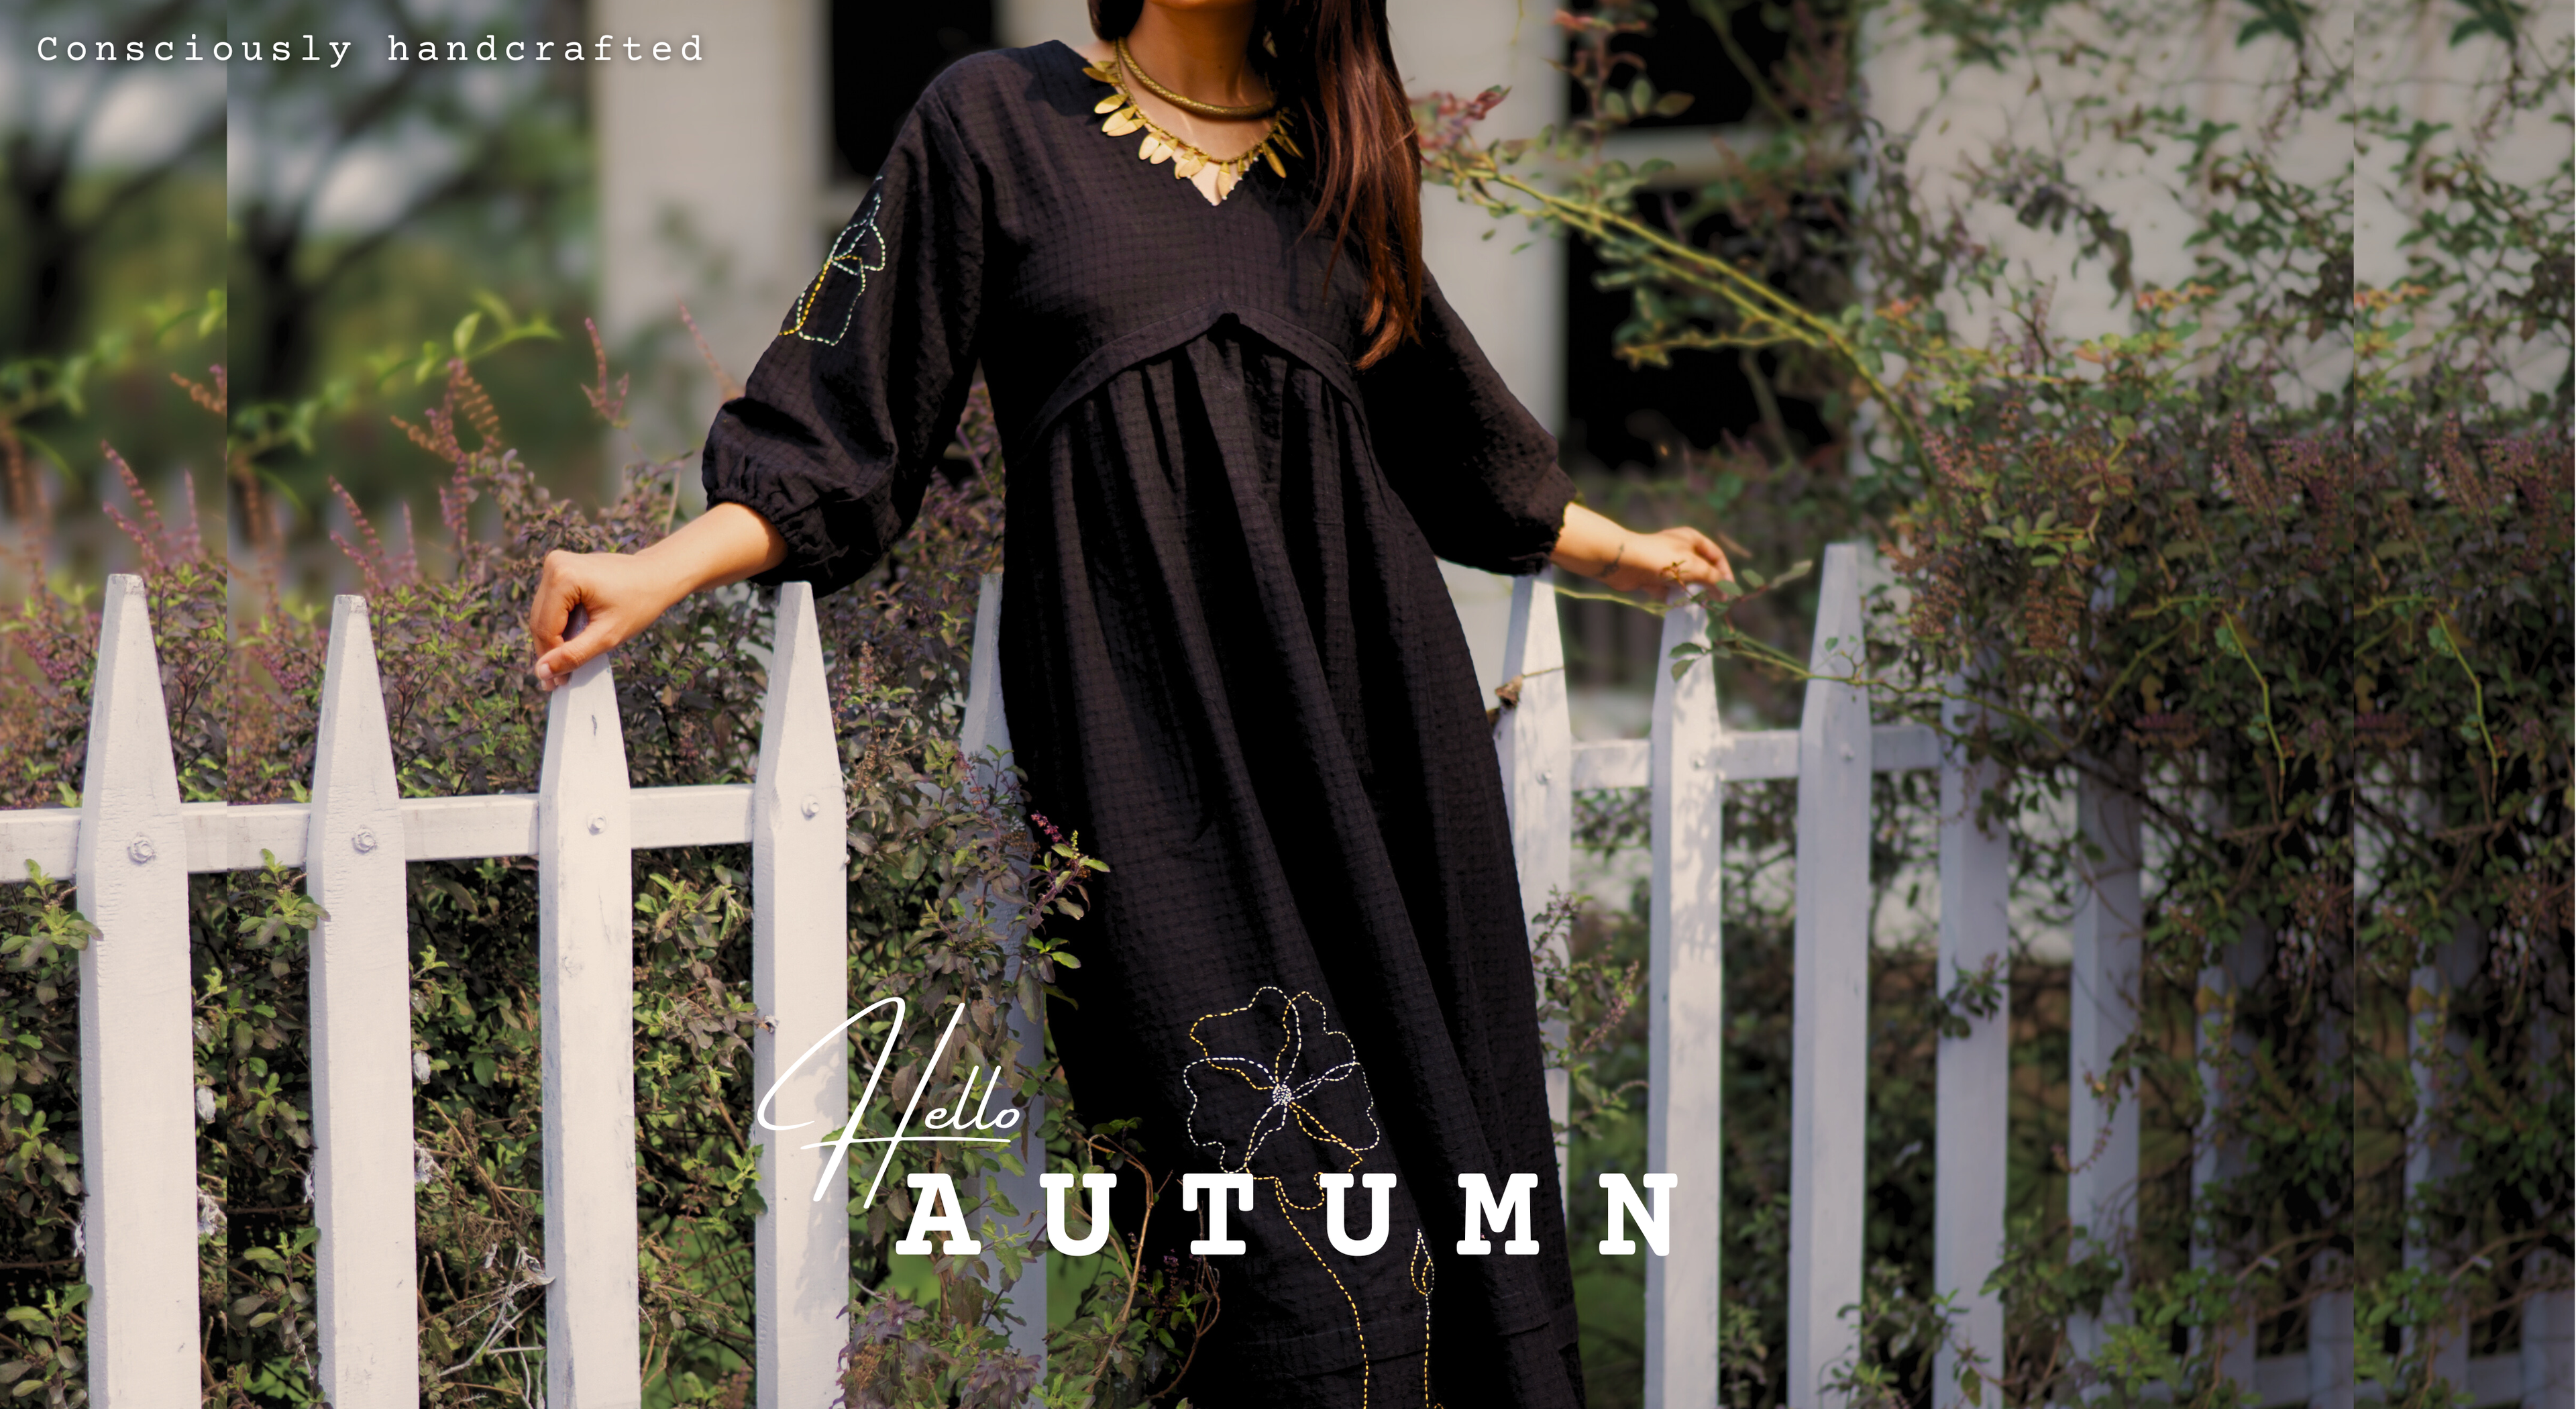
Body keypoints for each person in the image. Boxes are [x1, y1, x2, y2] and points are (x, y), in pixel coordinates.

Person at [528, 0, 1729, 1402]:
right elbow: (845, 415)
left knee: (1461, 1220)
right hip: (1157, 776)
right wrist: (660, 566)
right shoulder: (994, 124)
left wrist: (1619, 546)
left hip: (1381, 752)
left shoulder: (1336, 167)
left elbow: (1453, 434)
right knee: (1294, 1264)